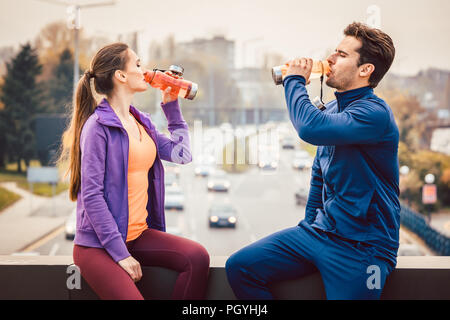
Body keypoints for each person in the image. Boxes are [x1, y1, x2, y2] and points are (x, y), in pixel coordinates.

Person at [226, 22, 399, 300]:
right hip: (318, 234)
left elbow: (310, 129)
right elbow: (320, 174)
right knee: (240, 267)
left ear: (366, 70)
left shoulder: (374, 113)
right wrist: (309, 224)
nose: (330, 58)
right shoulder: (332, 109)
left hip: (362, 249)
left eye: (342, 55)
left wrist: (293, 80)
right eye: (334, 51)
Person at [59, 42, 209, 300]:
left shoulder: (141, 121)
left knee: (197, 257)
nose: (146, 70)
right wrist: (121, 254)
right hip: (97, 246)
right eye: (138, 64)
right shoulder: (97, 128)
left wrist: (172, 107)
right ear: (121, 76)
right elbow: (92, 196)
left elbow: (182, 154)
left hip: (138, 235)